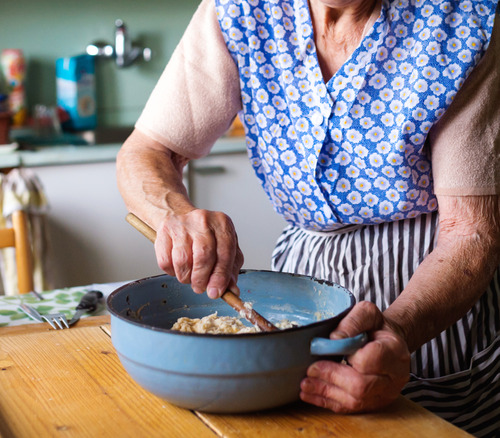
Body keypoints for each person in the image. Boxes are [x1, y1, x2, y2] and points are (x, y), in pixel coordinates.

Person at [116, 0, 500, 436]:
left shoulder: (463, 24)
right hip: (304, 279)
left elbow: (469, 232)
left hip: (430, 293)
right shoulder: (239, 12)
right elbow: (148, 150)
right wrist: (175, 213)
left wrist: (399, 330)